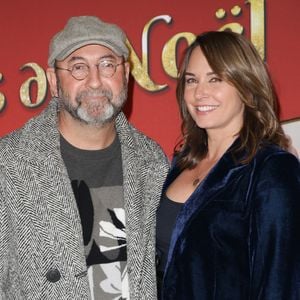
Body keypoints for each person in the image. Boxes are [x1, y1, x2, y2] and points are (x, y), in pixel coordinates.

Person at [0, 16, 169, 300]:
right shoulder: (9, 163)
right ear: (53, 80)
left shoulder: (152, 162)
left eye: (107, 65)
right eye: (78, 67)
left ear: (125, 74)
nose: (94, 81)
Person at [156, 31, 300, 299]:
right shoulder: (180, 163)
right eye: (191, 80)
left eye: (215, 79)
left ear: (246, 86)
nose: (200, 92)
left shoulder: (272, 170)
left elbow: (280, 282)